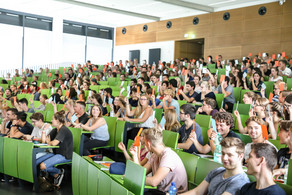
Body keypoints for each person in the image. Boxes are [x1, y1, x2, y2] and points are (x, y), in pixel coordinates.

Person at [182, 137, 250, 195]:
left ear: (240, 156)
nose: (224, 158)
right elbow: (196, 192)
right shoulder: (217, 171)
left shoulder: (241, 181)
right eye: (223, 154)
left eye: (230, 155)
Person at [130, 127, 188, 194]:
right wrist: (134, 155)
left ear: (148, 144)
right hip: (161, 192)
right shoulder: (154, 155)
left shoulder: (168, 156)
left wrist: (133, 177)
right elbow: (141, 172)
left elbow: (154, 182)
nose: (143, 145)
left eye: (144, 143)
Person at [38, 110, 73, 187]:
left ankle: (59, 172)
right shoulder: (55, 130)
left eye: (52, 119)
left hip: (65, 155)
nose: (51, 120)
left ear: (57, 120)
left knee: (42, 166)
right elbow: (45, 140)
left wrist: (49, 142)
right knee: (36, 162)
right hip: (56, 153)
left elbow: (54, 143)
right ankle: (56, 175)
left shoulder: (63, 129)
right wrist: (44, 131)